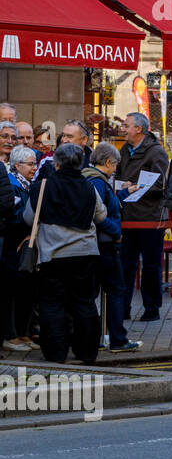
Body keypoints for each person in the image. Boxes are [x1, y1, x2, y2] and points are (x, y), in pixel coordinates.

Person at [24, 143, 105, 364]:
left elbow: (29, 219)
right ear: (81, 163)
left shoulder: (42, 187)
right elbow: (101, 216)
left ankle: (56, 353)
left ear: (56, 163)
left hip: (53, 253)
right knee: (84, 302)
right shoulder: (89, 186)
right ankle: (87, 352)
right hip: (85, 253)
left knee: (52, 303)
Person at [84, 142, 136, 352]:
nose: (116, 169)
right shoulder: (97, 182)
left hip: (96, 244)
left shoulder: (90, 178)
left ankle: (95, 338)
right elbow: (99, 215)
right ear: (107, 162)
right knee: (115, 290)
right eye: (115, 165)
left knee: (92, 293)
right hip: (103, 244)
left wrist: (123, 195)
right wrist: (116, 232)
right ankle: (117, 339)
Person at [117, 112, 169, 322]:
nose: (124, 129)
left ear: (138, 129)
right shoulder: (124, 150)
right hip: (128, 217)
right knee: (126, 265)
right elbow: (119, 176)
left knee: (150, 266)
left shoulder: (156, 152)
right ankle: (123, 308)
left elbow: (161, 185)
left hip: (149, 219)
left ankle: (152, 308)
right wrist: (122, 186)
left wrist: (138, 187)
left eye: (127, 125)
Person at [2, 146, 37, 351]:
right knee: (11, 292)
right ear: (17, 165)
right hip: (13, 245)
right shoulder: (13, 184)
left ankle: (23, 333)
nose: (34, 168)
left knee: (26, 290)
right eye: (30, 164)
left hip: (25, 244)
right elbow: (14, 215)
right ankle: (11, 335)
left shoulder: (28, 184)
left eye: (35, 164)